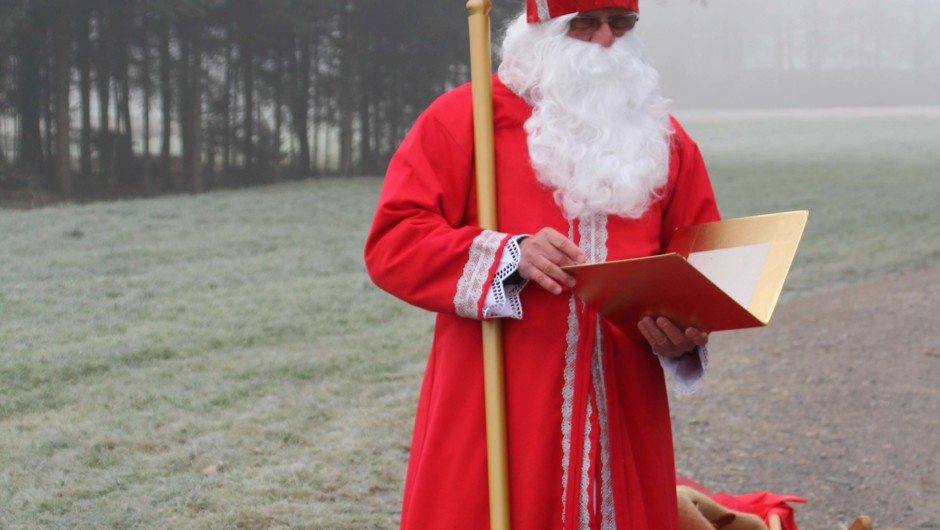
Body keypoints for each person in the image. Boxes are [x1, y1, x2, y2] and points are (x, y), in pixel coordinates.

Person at [364, 0, 719, 528]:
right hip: (497, 403)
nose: (604, 40)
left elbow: (702, 261)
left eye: (621, 25)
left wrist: (684, 333)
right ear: (543, 28)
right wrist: (509, 254)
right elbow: (394, 242)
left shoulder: (663, 138)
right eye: (585, 23)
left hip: (623, 405)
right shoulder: (465, 120)